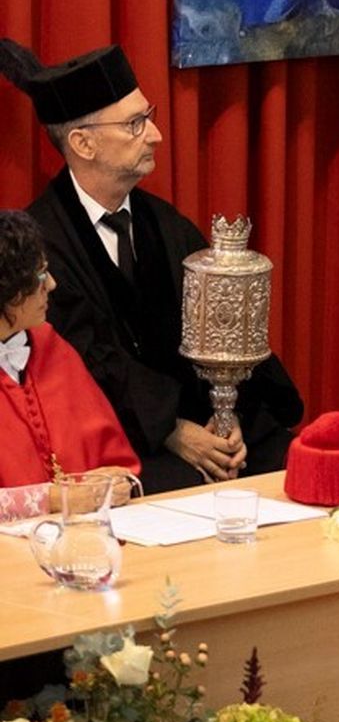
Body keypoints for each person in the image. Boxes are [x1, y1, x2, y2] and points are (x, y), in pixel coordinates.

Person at [1, 40, 302, 491]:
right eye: (135, 124)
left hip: (202, 420)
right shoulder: (42, 243)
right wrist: (172, 430)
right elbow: (85, 361)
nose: (156, 135)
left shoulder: (165, 224)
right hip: (126, 438)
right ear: (83, 143)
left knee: (291, 462)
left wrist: (228, 416)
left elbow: (219, 327)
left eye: (149, 117)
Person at [0, 209, 139, 489]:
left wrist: (115, 482)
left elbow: (118, 465)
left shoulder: (53, 348)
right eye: (40, 277)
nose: (52, 284)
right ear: (9, 292)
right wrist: (48, 501)